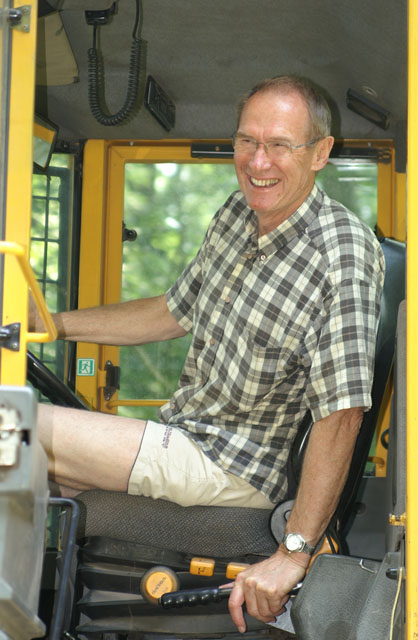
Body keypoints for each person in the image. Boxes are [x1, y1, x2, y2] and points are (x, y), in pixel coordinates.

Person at [32, 75, 385, 633]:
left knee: (14, 427)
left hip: (234, 466)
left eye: (279, 145)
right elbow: (171, 311)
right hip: (187, 436)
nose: (257, 161)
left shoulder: (342, 252)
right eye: (247, 141)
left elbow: (342, 413)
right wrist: (49, 326)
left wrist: (293, 553)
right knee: (27, 474)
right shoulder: (237, 214)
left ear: (320, 153)